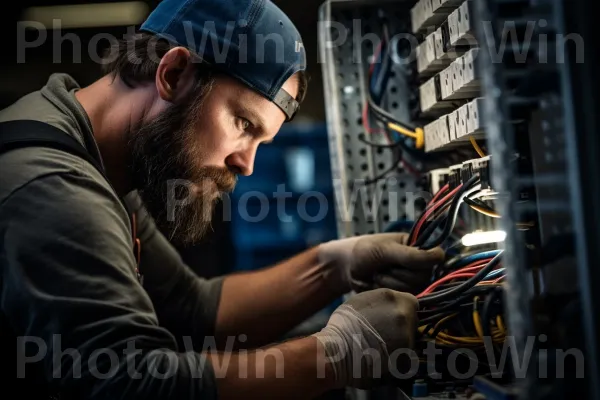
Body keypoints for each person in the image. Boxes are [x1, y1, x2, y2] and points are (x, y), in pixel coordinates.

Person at [0, 0, 444, 399]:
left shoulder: (104, 165)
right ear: (174, 74)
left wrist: (336, 266)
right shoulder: (54, 188)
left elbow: (192, 310)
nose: (247, 164)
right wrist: (336, 355)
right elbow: (132, 382)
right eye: (243, 124)